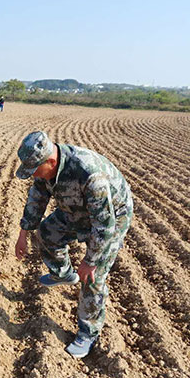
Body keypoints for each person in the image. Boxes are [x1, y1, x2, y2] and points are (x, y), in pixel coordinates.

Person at [15, 131, 133, 358]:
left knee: (93, 277)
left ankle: (88, 332)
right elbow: (37, 198)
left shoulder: (89, 174)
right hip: (77, 208)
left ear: (50, 162)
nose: (34, 176)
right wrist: (23, 232)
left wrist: (90, 261)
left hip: (111, 217)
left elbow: (104, 225)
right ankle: (63, 273)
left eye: (36, 171)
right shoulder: (45, 168)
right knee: (48, 232)